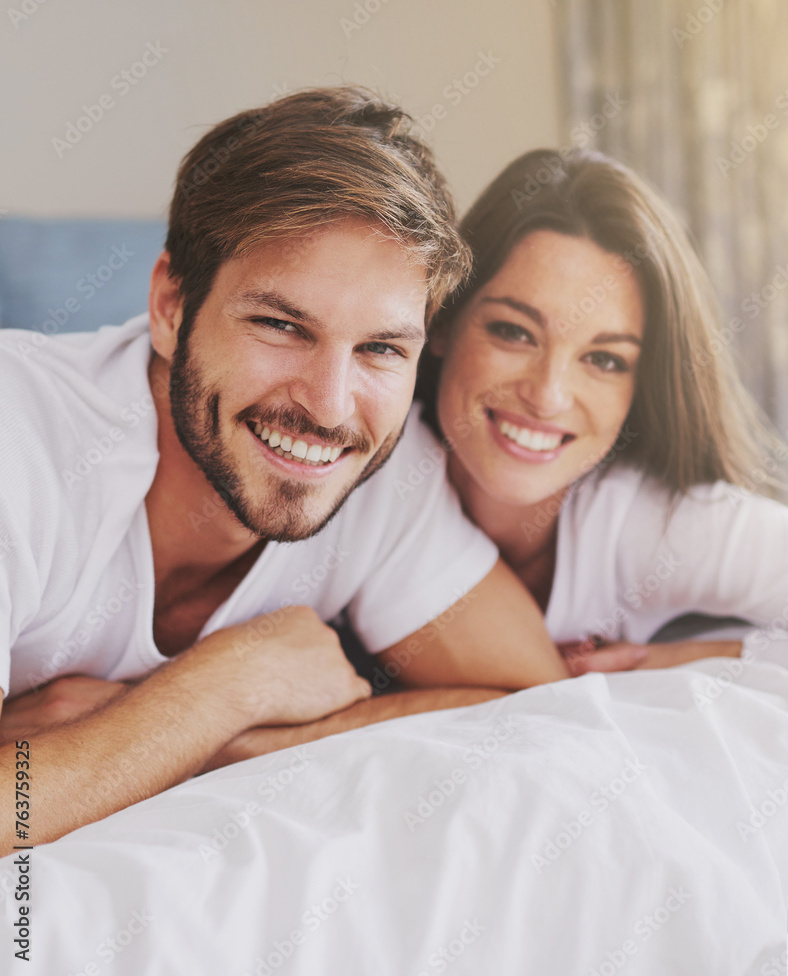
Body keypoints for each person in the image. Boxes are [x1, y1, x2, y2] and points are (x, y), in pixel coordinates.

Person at [0, 90, 568, 853]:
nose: (331, 408)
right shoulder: (23, 441)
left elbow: (533, 701)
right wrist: (229, 682)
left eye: (381, 349)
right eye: (280, 325)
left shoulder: (380, 472)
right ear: (171, 303)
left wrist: (217, 725)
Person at [414, 147, 788, 675]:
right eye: (514, 332)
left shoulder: (655, 525)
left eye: (605, 360)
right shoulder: (365, 471)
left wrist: (690, 656)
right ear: (444, 321)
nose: (548, 394)